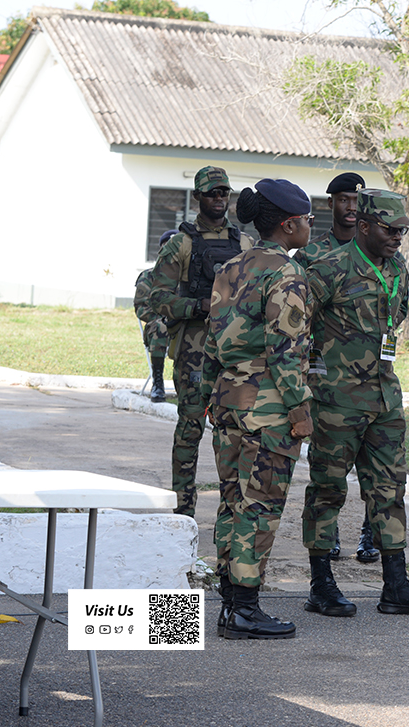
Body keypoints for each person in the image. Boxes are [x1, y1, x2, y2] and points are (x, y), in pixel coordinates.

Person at [296, 188, 409, 616]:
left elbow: (393, 318)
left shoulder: (396, 266)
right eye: (389, 228)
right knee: (328, 490)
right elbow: (298, 330)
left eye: (403, 229)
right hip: (336, 400)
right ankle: (321, 584)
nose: (398, 236)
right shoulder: (327, 269)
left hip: (384, 397)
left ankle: (395, 584)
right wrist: (308, 384)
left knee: (389, 489)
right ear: (363, 226)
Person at [199, 178, 314, 640]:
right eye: (306, 220)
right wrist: (301, 409)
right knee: (259, 508)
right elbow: (287, 350)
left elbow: (211, 341)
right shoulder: (287, 275)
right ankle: (245, 610)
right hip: (267, 410)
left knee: (231, 502)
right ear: (288, 225)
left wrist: (209, 395)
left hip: (228, 403)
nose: (310, 226)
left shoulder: (231, 265)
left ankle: (231, 604)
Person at [150, 166, 253, 517]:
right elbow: (156, 299)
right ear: (197, 197)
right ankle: (183, 509)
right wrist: (198, 305)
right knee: (190, 429)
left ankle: (233, 510)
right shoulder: (181, 244)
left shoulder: (243, 244)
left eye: (224, 192)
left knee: (235, 433)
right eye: (212, 193)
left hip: (234, 354)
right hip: (194, 352)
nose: (219, 199)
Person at [298, 172, 381, 567]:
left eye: (356, 201)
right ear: (330, 203)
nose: (351, 207)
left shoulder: (382, 253)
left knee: (379, 468)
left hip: (376, 377)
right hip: (327, 374)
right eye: (344, 200)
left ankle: (370, 533)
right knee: (330, 467)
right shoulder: (312, 255)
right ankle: (326, 539)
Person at [133, 229, 176, 402]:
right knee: (160, 327)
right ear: (161, 249)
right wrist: (160, 319)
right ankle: (158, 383)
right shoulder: (149, 276)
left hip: (184, 325)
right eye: (168, 247)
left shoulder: (187, 276)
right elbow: (141, 307)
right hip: (158, 326)